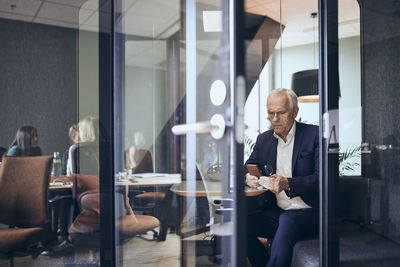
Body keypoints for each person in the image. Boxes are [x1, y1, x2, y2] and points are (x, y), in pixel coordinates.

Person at [245, 88, 319, 267]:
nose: (275, 119)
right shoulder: (264, 140)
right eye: (271, 113)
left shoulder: (314, 135)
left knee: (289, 219)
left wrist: (287, 183)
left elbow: (323, 178)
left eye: (281, 113)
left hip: (310, 212)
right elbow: (248, 165)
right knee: (239, 224)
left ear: (295, 112)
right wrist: (248, 176)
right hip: (277, 212)